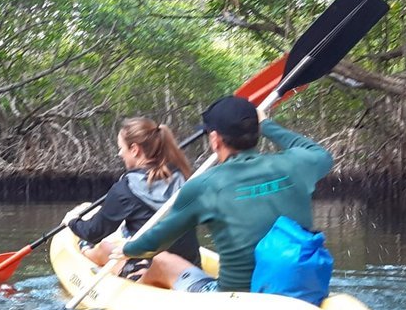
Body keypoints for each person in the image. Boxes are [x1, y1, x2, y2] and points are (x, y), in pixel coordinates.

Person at [121, 94, 333, 293]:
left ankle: (138, 290)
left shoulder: (203, 186)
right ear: (257, 132)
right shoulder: (297, 164)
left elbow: (156, 243)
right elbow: (318, 153)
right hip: (300, 290)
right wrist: (268, 125)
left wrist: (128, 249)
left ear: (215, 139)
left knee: (163, 261)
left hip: (235, 298)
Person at [64, 117, 201, 274]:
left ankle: (85, 250)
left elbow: (93, 233)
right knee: (114, 244)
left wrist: (72, 221)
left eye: (122, 148)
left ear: (135, 149)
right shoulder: (182, 176)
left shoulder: (125, 190)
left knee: (103, 247)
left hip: (150, 271)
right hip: (191, 265)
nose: (120, 153)